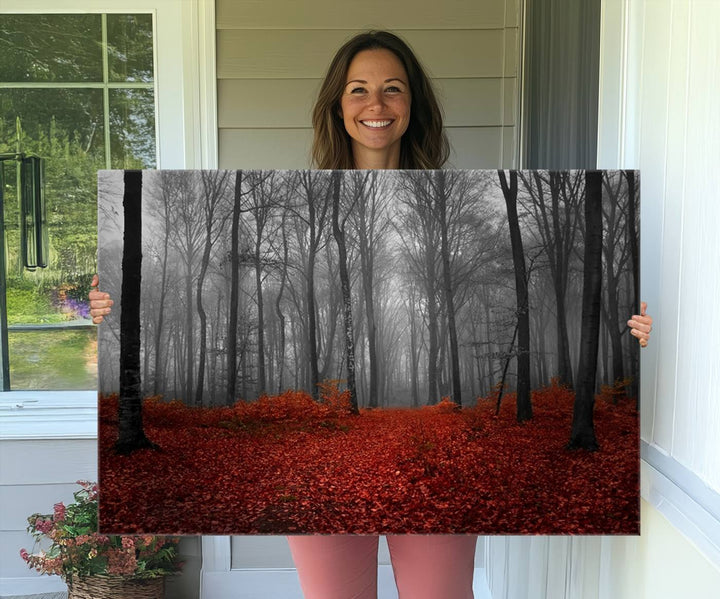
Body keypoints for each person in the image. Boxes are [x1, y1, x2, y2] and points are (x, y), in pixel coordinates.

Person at [89, 30, 653, 599]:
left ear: (413, 105)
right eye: (358, 90)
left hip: (438, 486)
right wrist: (108, 307)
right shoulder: (292, 207)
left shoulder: (462, 201)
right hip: (320, 476)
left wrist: (629, 330)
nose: (376, 105)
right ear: (338, 105)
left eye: (393, 89)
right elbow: (212, 288)